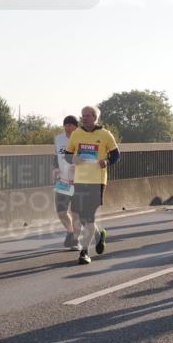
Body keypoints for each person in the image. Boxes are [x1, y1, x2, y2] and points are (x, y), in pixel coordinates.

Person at [65, 106, 120, 265]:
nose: (84, 118)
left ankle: (84, 252)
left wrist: (107, 161)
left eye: (88, 116)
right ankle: (99, 233)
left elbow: (116, 154)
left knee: (89, 217)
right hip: (80, 180)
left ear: (95, 117)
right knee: (81, 217)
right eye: (83, 116)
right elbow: (68, 155)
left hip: (97, 181)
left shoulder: (105, 134)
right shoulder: (76, 134)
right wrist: (74, 159)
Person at [53, 115, 80, 250]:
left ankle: (75, 240)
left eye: (71, 124)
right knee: (61, 212)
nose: (68, 127)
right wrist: (56, 169)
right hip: (63, 180)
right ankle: (70, 233)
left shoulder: (82, 139)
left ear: (76, 126)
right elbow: (55, 156)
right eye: (66, 124)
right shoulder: (58, 139)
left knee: (76, 213)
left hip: (78, 181)